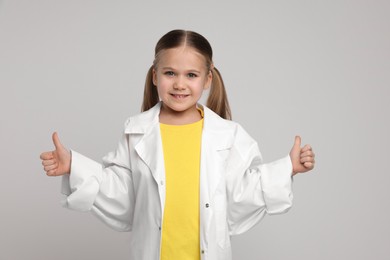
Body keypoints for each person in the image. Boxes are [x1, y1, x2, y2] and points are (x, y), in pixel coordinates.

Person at [40, 30, 315, 260]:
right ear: (155, 76)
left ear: (207, 79)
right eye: (170, 73)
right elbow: (123, 195)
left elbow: (241, 193)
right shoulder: (136, 132)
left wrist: (287, 168)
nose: (180, 84)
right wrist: (73, 166)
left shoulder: (228, 135)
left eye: (191, 75)